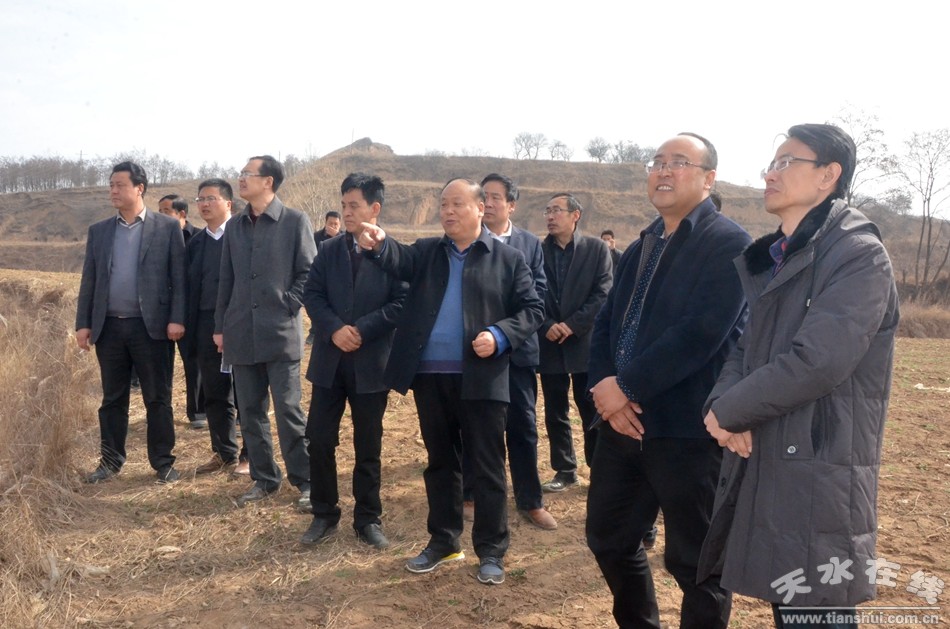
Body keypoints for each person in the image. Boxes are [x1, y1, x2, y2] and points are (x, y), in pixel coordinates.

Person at [698, 124, 900, 629]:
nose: (770, 174)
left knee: (815, 607)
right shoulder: (780, 257)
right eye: (771, 163)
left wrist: (731, 411)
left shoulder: (857, 254)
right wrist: (720, 407)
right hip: (775, 449)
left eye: (786, 162)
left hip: (819, 458)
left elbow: (819, 360)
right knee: (791, 602)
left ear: (828, 175)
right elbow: (745, 348)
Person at [585, 132, 751, 628]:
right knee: (610, 539)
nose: (663, 170)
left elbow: (700, 334)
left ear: (708, 178)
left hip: (688, 429)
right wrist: (605, 388)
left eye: (678, 162)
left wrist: (625, 388)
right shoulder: (644, 243)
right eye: (657, 162)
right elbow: (607, 323)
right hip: (623, 425)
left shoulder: (729, 243)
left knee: (697, 562)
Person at [358, 178, 543, 586]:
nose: (448, 211)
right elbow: (397, 258)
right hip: (431, 376)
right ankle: (444, 541)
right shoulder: (428, 252)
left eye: (457, 204)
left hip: (483, 377)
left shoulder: (508, 258)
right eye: (443, 204)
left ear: (480, 208)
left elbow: (532, 309)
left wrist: (499, 335)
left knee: (488, 466)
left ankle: (491, 550)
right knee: (441, 463)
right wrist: (380, 243)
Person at [299, 173, 407, 549]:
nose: (346, 212)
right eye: (344, 205)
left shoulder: (393, 253)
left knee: (368, 444)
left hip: (371, 362)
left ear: (374, 208)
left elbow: (402, 302)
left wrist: (362, 329)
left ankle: (368, 518)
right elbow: (312, 294)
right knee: (319, 439)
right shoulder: (329, 250)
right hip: (329, 362)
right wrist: (333, 329)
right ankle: (324, 513)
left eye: (354, 206)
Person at [214, 155, 316, 508]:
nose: (241, 179)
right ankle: (264, 478)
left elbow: (309, 273)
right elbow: (226, 280)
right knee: (250, 412)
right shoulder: (235, 226)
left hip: (280, 333)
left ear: (268, 181)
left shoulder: (294, 221)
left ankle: (306, 480)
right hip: (241, 332)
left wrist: (287, 304)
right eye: (241, 173)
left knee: (288, 410)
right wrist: (221, 326)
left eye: (248, 174)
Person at [76, 161, 186, 484]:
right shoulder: (99, 231)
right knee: (112, 399)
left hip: (151, 328)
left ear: (139, 188)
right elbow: (89, 280)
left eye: (119, 185)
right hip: (109, 327)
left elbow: (179, 279)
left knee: (157, 397)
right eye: (111, 185)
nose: (113, 190)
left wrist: (177, 318)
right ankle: (110, 461)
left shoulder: (167, 228)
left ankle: (163, 462)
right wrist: (83, 323)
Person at [460, 173, 556, 531]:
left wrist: (503, 332)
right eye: (484, 196)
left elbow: (537, 297)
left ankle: (530, 501)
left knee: (523, 426)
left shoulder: (529, 244)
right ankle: (471, 494)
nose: (488, 203)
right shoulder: (467, 241)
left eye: (496, 197)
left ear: (511, 205)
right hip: (475, 352)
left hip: (517, 352)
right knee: (475, 426)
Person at [538, 193, 611, 492]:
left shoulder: (596, 249)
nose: (550, 216)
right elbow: (529, 291)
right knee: (555, 411)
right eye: (548, 211)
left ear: (575, 215)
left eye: (557, 210)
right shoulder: (537, 251)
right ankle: (565, 470)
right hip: (549, 342)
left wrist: (573, 324)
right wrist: (546, 325)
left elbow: (603, 292)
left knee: (591, 409)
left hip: (585, 343)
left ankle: (599, 469)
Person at [184, 179, 243, 475]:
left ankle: (251, 456)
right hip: (206, 324)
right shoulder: (195, 244)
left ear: (228, 203)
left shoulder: (244, 234)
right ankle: (224, 452)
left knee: (246, 391)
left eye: (211, 198)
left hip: (241, 321)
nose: (204, 204)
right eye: (200, 199)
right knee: (214, 391)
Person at [159, 193, 206, 429]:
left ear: (182, 214)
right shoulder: (156, 238)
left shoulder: (198, 238)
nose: (161, 216)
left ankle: (197, 412)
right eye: (159, 212)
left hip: (191, 310)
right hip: (162, 311)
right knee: (161, 365)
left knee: (194, 362)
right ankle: (160, 412)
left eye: (166, 212)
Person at [306, 211, 343, 345]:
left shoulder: (344, 238)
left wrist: (336, 237)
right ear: (325, 223)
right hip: (319, 276)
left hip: (337, 278)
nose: (333, 226)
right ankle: (313, 332)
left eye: (336, 224)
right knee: (317, 303)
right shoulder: (316, 237)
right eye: (330, 223)